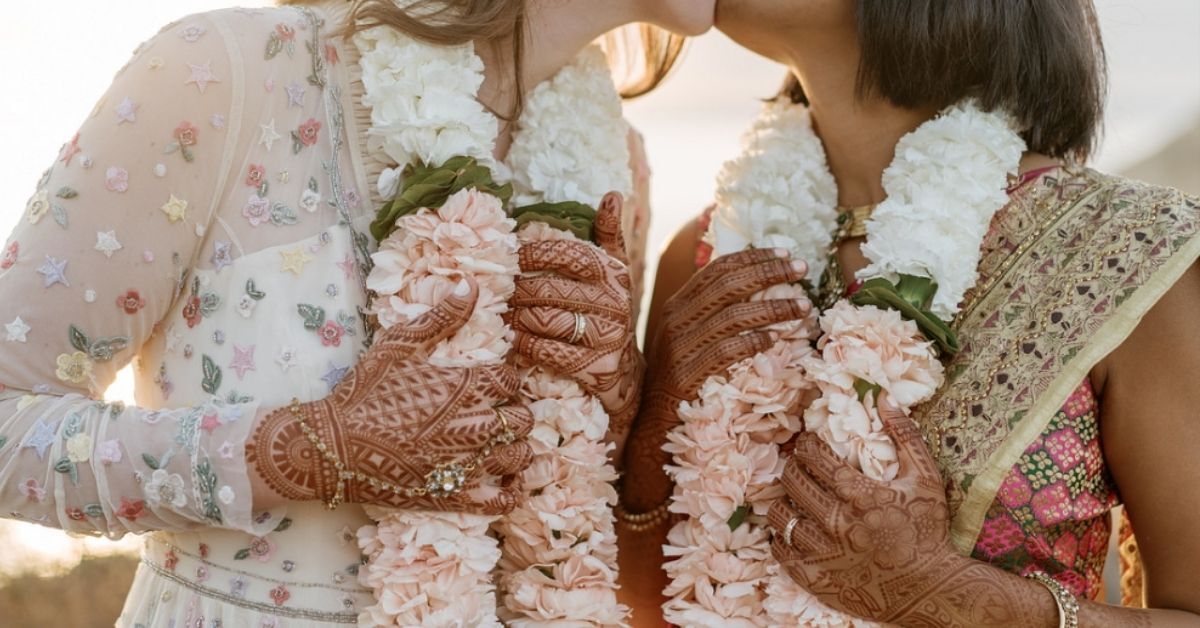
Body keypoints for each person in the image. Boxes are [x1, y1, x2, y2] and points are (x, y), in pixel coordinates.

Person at [0, 0, 714, 624]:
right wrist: (311, 450)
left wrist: (616, 403)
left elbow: (565, 531)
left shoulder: (614, 166)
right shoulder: (233, 71)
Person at [621, 0, 1200, 625]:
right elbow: (644, 607)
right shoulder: (709, 251)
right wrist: (651, 440)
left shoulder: (1127, 251)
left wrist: (936, 590)